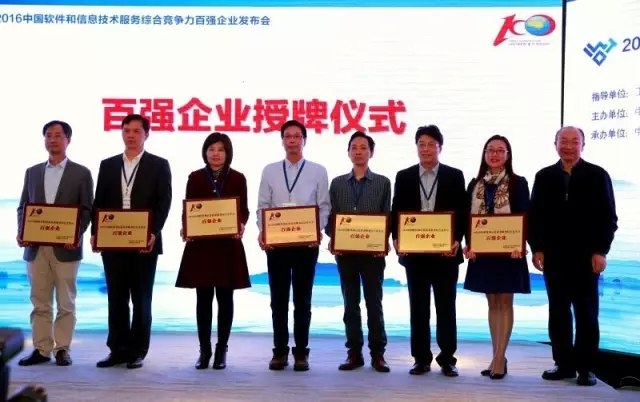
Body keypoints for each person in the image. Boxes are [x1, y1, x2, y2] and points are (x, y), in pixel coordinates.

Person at [529, 126, 617, 386]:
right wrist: (537, 248)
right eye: (563, 141)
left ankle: (586, 368)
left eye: (574, 141)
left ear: (582, 145)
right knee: (558, 312)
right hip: (554, 257)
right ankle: (563, 364)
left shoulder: (597, 175)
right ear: (555, 144)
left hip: (586, 258)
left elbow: (608, 218)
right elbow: (535, 217)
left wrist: (601, 251)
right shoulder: (544, 176)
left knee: (586, 313)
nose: (568, 146)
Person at [91, 114, 172, 369]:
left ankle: (137, 350)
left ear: (146, 134)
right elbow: (99, 202)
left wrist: (153, 232)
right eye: (126, 130)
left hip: (144, 242)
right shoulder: (108, 165)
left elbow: (163, 203)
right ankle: (117, 349)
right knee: (116, 298)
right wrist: (95, 232)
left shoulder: (159, 165)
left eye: (137, 131)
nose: (131, 135)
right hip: (113, 241)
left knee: (141, 299)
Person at [16, 120, 94, 367]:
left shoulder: (81, 173)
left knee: (66, 303)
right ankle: (41, 349)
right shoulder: (32, 172)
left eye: (58, 135)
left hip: (67, 249)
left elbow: (87, 209)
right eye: (48, 135)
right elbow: (23, 207)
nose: (52, 140)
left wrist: (75, 235)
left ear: (68, 140)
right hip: (36, 248)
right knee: (39, 302)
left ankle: (62, 349)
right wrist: (21, 231)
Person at [391, 125, 467, 377]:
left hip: (445, 254)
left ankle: (447, 358)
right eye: (421, 144)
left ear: (440, 148)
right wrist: (396, 239)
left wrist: (457, 239)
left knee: (446, 307)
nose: (426, 149)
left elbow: (462, 212)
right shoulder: (404, 176)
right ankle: (421, 358)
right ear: (416, 148)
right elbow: (396, 211)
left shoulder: (454, 176)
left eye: (431, 144)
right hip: (415, 255)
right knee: (418, 307)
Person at [256, 119, 330, 372]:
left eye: (297, 136)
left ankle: (301, 352)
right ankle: (279, 351)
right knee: (278, 300)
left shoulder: (318, 171)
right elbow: (263, 205)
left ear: (304, 140)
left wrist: (316, 230)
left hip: (306, 245)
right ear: (282, 141)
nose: (292, 141)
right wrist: (264, 231)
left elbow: (324, 206)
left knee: (303, 299)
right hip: (277, 244)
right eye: (288, 136)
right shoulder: (270, 170)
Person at [175, 132, 251, 370]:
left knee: (226, 298)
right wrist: (186, 227)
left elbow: (244, 209)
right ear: (205, 152)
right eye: (211, 149)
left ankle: (221, 350)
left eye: (220, 149)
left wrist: (240, 223)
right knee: (203, 299)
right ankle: (204, 349)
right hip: (202, 247)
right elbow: (188, 209)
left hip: (227, 246)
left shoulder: (238, 178)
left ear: (228, 153)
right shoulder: (195, 177)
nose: (215, 154)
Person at [462, 135, 531, 380]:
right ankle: (496, 356)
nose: (494, 154)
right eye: (490, 150)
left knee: (505, 303)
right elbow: (467, 220)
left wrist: (520, 244)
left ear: (507, 155)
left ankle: (500, 358)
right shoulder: (475, 184)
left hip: (509, 253)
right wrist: (469, 244)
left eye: (500, 150)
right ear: (484, 154)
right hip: (483, 254)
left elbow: (525, 216)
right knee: (492, 304)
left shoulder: (518, 183)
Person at [325, 131, 391, 373]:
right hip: (346, 254)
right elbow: (330, 216)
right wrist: (333, 237)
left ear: (371, 152)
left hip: (373, 254)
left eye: (364, 147)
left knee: (374, 303)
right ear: (348, 152)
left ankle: (378, 354)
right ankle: (354, 352)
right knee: (350, 304)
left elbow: (387, 215)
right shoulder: (337, 183)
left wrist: (383, 241)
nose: (359, 152)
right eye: (354, 147)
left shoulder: (383, 183)